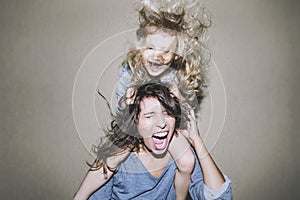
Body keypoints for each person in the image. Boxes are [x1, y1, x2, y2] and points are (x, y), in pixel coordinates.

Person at [75, 1, 214, 199]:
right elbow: (120, 111)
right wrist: (126, 101)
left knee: (187, 162)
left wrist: (179, 97)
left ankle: (180, 198)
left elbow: (185, 113)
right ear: (140, 47)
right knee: (110, 158)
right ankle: (80, 196)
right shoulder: (128, 75)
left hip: (167, 129)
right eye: (151, 48)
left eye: (166, 52)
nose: (157, 57)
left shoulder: (174, 77)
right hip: (134, 126)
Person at [80, 83, 232, 199]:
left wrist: (196, 139)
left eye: (167, 113)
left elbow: (222, 197)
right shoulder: (119, 159)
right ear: (135, 121)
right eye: (149, 115)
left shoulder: (182, 155)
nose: (161, 123)